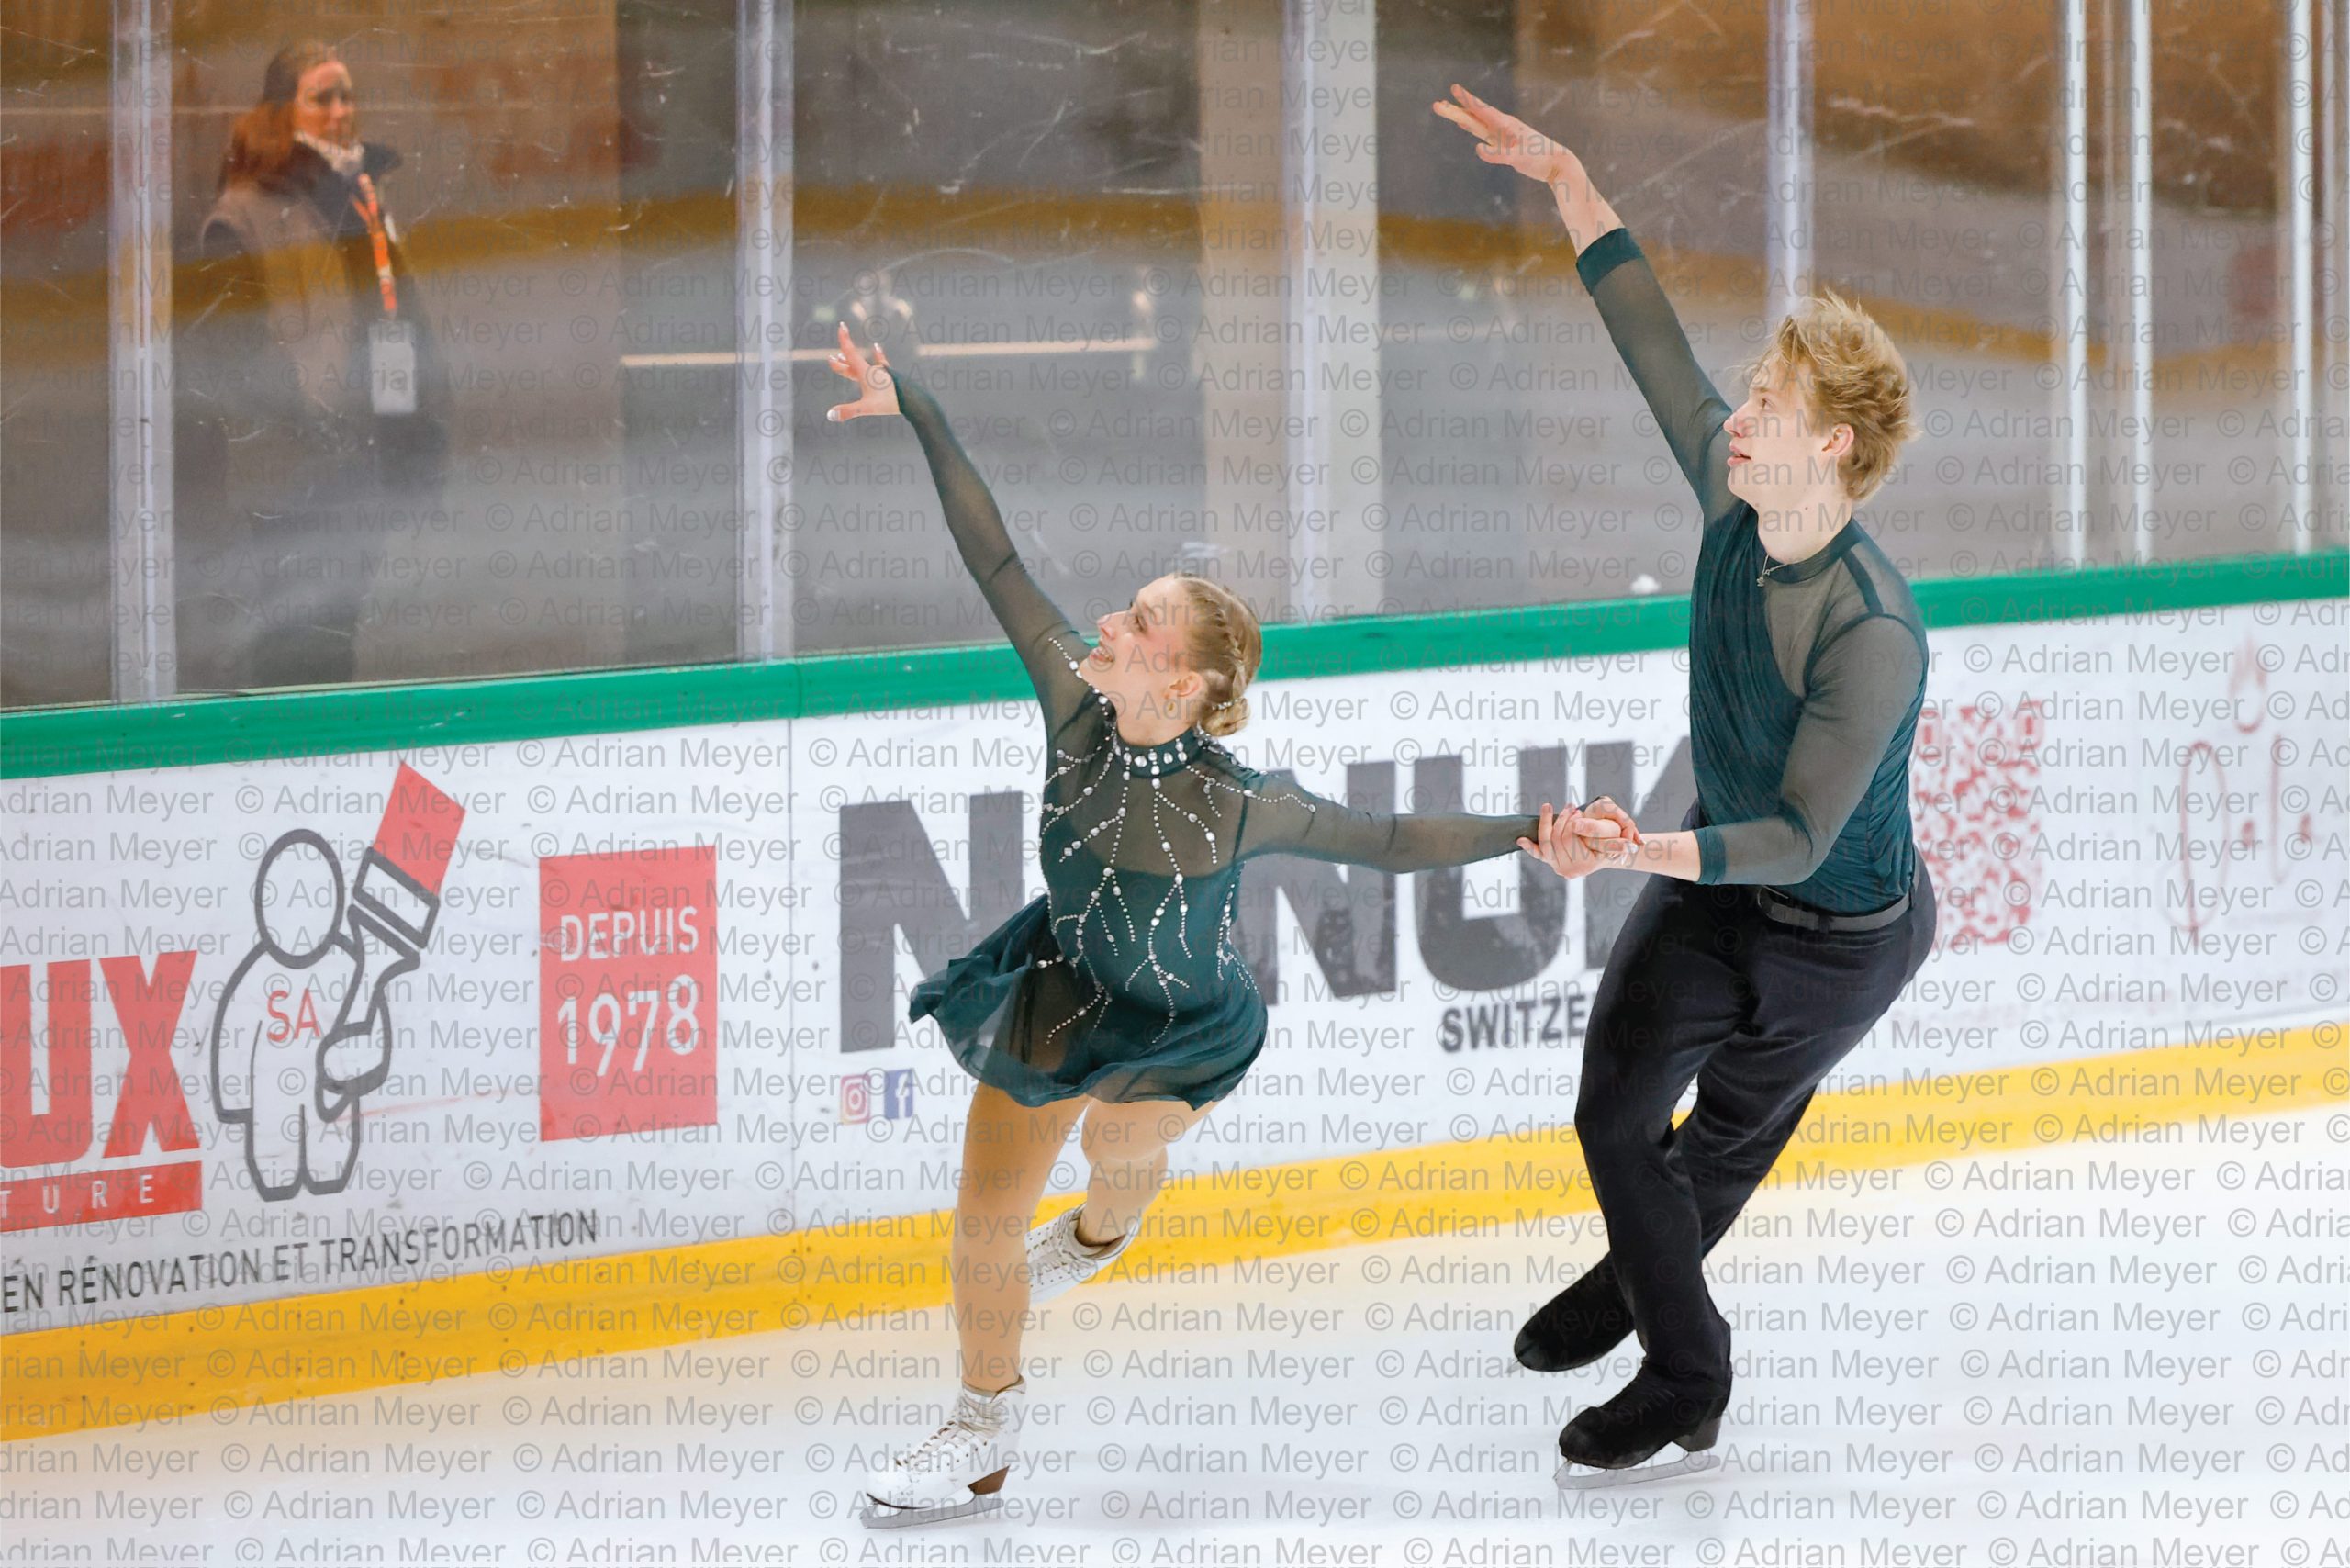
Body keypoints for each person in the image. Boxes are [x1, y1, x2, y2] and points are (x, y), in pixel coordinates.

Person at [821, 323, 1624, 1527]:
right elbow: (993, 555)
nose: (1109, 621)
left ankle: (1102, 1230)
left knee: (1117, 1144)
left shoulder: (1240, 804)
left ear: (1188, 682)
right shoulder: (1073, 709)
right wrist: (916, 403)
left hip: (1186, 1024)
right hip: (1059, 985)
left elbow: (1391, 840)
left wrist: (1532, 827)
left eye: (1140, 622)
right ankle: (982, 1430)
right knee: (983, 1218)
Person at [1435, 85, 1939, 1486]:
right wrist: (1573, 186)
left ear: (1829, 444)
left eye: (1769, 401)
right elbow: (1647, 337)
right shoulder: (1731, 501)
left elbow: (1792, 837)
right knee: (1611, 1118)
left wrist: (1637, 845)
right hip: (1717, 887)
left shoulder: (1872, 635)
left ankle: (1680, 1366)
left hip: (1840, 939)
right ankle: (1657, 1306)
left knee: (1713, 1147)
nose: (1741, 410)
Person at [177, 39, 449, 691]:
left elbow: (392, 323)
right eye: (321, 96)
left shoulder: (362, 198)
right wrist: (304, 424)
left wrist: (409, 425)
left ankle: (328, 775)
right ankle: (282, 772)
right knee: (291, 633)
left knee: (338, 626)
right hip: (290, 470)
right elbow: (228, 355)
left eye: (347, 94)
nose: (339, 110)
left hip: (363, 455)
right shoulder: (244, 212)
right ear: (283, 112)